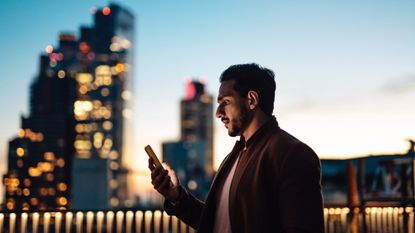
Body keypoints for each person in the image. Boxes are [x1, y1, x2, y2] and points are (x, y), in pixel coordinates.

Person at [148, 63, 324, 233]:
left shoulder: (293, 154)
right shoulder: (234, 157)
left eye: (226, 101)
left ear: (251, 100)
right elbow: (216, 223)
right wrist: (176, 196)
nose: (218, 113)